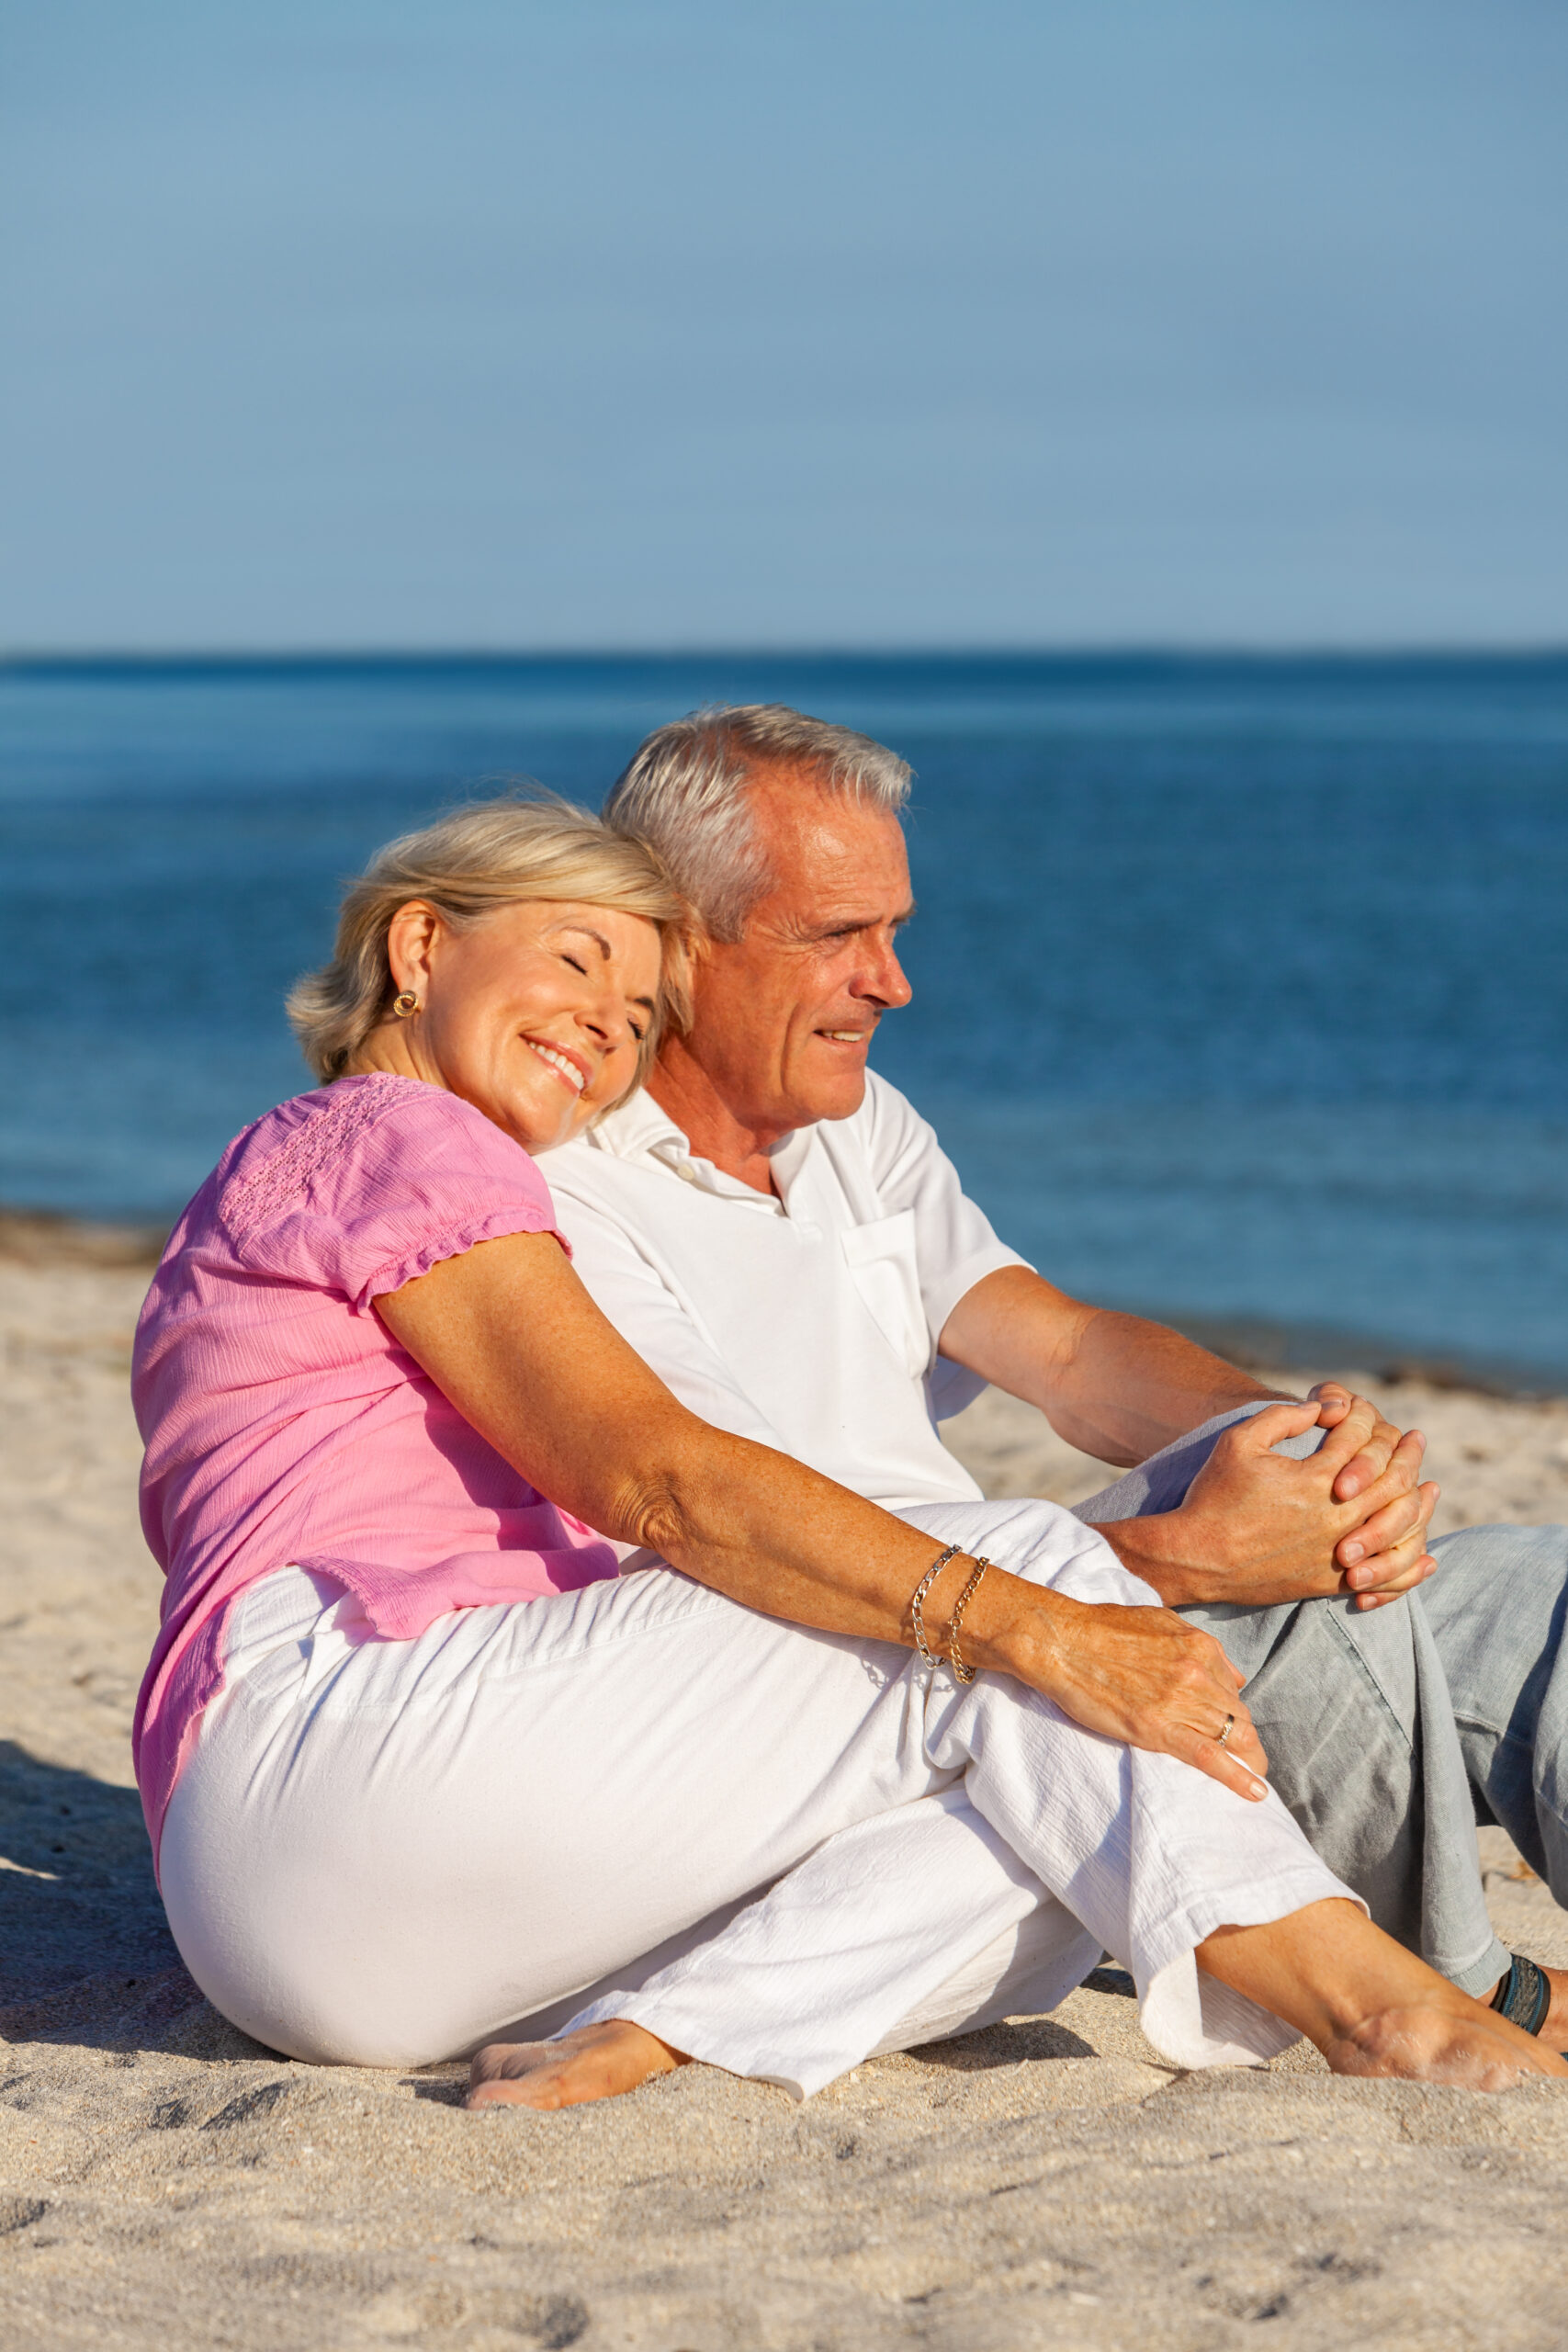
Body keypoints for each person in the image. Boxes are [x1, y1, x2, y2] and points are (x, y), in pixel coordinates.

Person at [130, 795, 1560, 2115]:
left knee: (1058, 1846)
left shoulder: (463, 1163)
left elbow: (1062, 1351)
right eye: (571, 965)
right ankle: (1396, 2015)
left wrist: (1269, 1462)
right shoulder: (394, 1135)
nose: (601, 1035)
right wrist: (1062, 1620)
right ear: (422, 945)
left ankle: (666, 2031)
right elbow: (661, 1482)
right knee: (1034, 1598)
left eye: (634, 1013)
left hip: (411, 1931)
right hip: (331, 1775)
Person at [531, 705, 1568, 2083]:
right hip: (897, 1708)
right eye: (837, 935)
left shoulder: (851, 1128)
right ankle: (1468, 1998)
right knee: (1300, 1600)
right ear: (673, 936)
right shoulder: (562, 1192)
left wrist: (1302, 1449)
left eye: (894, 931)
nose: (889, 982)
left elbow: (1074, 1356)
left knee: (1532, 1598)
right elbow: (729, 1577)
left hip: (1039, 1623)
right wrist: (1188, 1561)